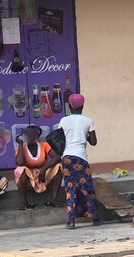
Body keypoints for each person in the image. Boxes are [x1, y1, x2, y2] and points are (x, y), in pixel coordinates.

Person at [42, 93, 101, 228]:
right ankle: (95, 219)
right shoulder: (88, 121)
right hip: (81, 158)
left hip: (67, 158)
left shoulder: (64, 121)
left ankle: (71, 221)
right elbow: (94, 142)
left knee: (70, 189)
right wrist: (84, 135)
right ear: (83, 106)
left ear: (69, 106)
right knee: (86, 188)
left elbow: (59, 138)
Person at [14, 125, 62, 209]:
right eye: (27, 135)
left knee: (58, 166)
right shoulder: (21, 148)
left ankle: (54, 201)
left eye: (33, 134)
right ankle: (24, 203)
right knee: (20, 170)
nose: (30, 137)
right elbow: (20, 162)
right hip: (30, 178)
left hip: (43, 175)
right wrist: (20, 144)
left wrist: (44, 169)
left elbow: (57, 157)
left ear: (37, 135)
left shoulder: (44, 145)